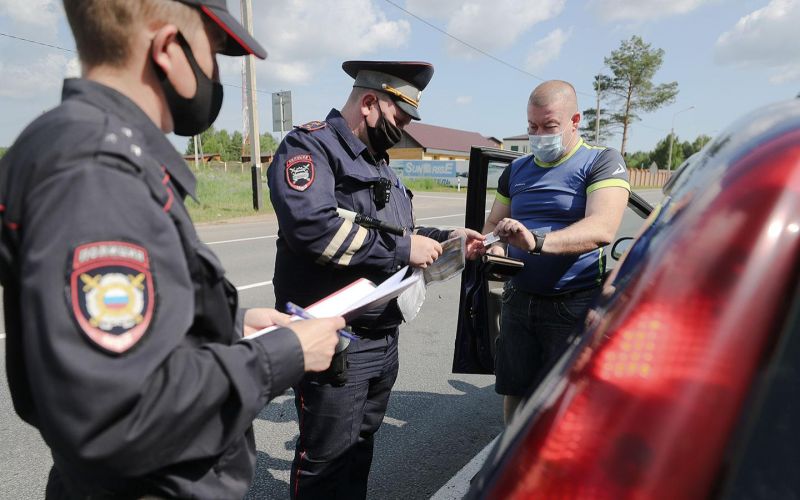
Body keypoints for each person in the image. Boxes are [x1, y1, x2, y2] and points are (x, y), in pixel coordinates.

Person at [0, 1, 343, 498]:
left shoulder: (66, 142)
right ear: (166, 48)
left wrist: (229, 325)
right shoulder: (97, 170)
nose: (214, 76)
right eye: (214, 53)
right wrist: (285, 354)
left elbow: (109, 338)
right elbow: (117, 409)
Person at [267, 60, 484, 499]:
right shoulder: (310, 148)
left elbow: (398, 234)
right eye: (399, 118)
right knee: (326, 462)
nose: (403, 129)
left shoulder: (380, 164)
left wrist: (451, 239)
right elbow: (315, 231)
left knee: (358, 452)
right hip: (335, 341)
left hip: (383, 340)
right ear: (369, 103)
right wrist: (406, 250)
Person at [483, 80, 630, 424]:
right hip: (518, 299)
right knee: (516, 392)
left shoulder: (602, 161)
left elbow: (602, 228)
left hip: (573, 304)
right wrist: (490, 245)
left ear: (574, 120)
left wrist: (536, 241)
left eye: (549, 126)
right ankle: (511, 459)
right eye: (532, 127)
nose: (538, 135)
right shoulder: (516, 169)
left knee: (568, 402)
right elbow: (493, 223)